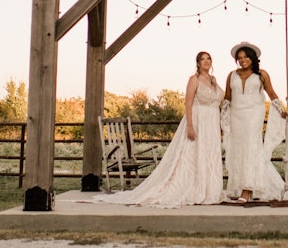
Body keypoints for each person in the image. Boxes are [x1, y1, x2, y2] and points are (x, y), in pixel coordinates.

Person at [93, 51, 225, 207]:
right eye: (202, 59)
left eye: (208, 59)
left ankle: (210, 190)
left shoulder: (214, 80)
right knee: (194, 155)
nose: (206, 61)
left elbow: (220, 103)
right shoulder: (194, 80)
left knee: (209, 155)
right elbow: (188, 104)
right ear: (197, 63)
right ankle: (193, 188)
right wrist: (190, 125)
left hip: (211, 125)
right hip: (198, 121)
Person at [222, 41, 288, 203]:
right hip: (236, 115)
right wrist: (221, 118)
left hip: (254, 114)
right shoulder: (232, 75)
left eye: (245, 57)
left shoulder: (262, 74)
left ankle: (247, 189)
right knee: (238, 149)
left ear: (252, 58)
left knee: (251, 148)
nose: (242, 60)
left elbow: (272, 94)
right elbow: (227, 98)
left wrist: (281, 110)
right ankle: (240, 186)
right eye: (239, 58)